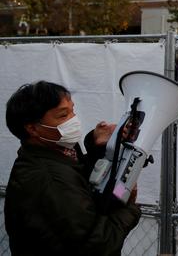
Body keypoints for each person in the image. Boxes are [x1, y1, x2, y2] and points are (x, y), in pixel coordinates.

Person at [4, 80, 141, 255]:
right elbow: (97, 245)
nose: (73, 119)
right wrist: (130, 208)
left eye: (72, 111)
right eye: (63, 115)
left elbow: (75, 178)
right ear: (33, 128)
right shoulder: (50, 179)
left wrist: (95, 145)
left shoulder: (55, 155)